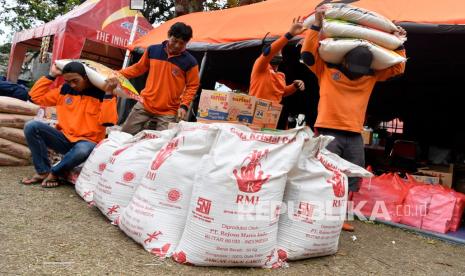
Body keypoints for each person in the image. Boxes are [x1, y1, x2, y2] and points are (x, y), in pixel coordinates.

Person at [301, 6, 407, 231]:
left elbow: (398, 68)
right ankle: (318, 214)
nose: (357, 72)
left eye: (361, 69)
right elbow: (307, 54)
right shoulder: (327, 71)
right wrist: (317, 24)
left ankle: (340, 217)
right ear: (344, 61)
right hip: (328, 131)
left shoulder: (370, 77)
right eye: (353, 67)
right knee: (325, 175)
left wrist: (400, 42)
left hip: (354, 134)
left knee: (352, 178)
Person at [21, 62, 118, 188]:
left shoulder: (103, 93)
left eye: (75, 81)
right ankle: (43, 172)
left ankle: (55, 172)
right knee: (31, 126)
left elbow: (108, 121)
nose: (72, 85)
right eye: (68, 81)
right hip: (64, 139)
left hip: (87, 142)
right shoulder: (64, 90)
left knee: (82, 149)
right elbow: (34, 97)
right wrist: (51, 76)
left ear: (86, 77)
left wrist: (109, 94)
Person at [108, 22, 200, 134]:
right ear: (169, 35)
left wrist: (184, 106)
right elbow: (138, 68)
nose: (177, 45)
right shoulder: (153, 50)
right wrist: (117, 74)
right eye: (175, 41)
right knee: (125, 134)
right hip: (144, 104)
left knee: (161, 143)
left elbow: (192, 86)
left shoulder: (190, 62)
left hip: (169, 111)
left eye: (182, 43)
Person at [249, 19, 305, 103]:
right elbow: (270, 51)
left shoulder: (281, 75)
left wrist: (294, 86)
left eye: (279, 53)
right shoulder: (260, 67)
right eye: (276, 52)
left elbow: (281, 92)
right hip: (254, 111)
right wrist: (290, 34)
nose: (278, 54)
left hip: (271, 113)